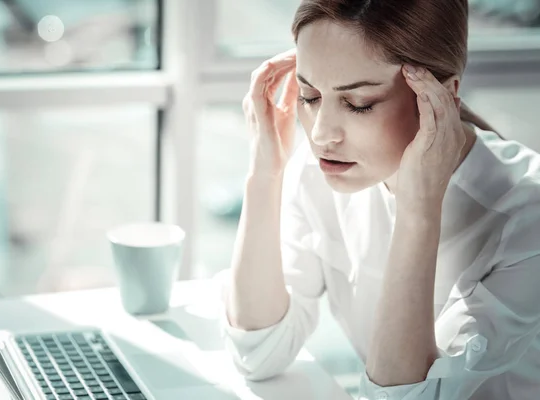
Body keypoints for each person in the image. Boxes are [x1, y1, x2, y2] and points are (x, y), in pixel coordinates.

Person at [220, 1, 540, 399]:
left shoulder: (526, 214)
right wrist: (265, 173)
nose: (321, 134)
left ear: (443, 95)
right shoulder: (324, 166)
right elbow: (257, 353)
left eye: (358, 104)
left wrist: (418, 213)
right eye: (309, 96)